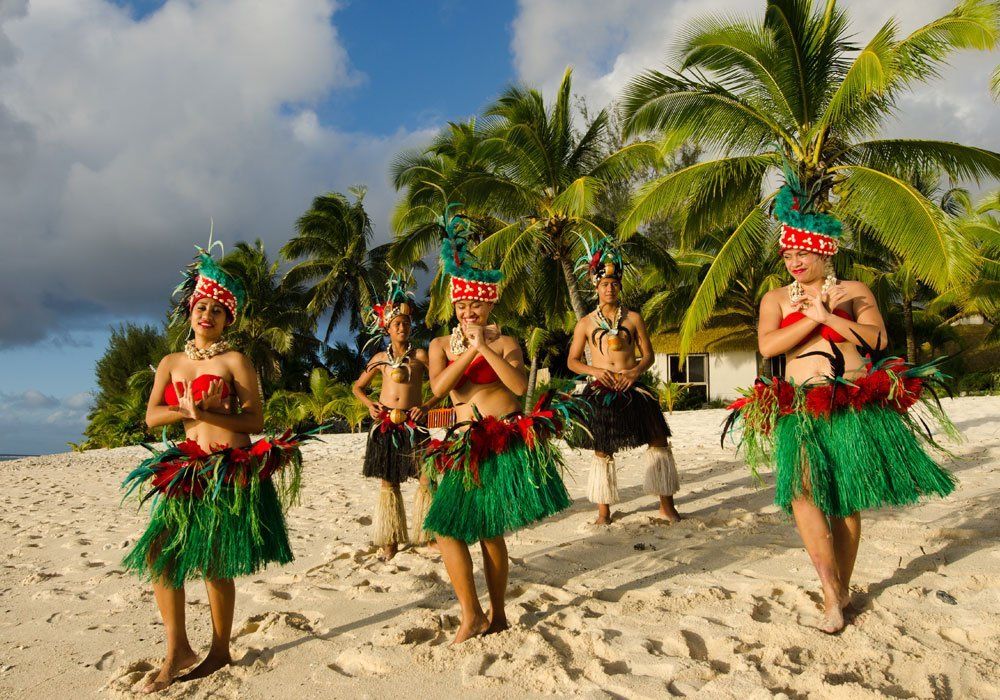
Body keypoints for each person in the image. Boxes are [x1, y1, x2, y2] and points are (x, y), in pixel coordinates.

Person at [724, 177, 957, 634]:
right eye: (788, 255)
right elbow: (770, 345)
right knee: (803, 493)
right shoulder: (774, 299)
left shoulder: (855, 291)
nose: (793, 262)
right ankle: (830, 591)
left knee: (845, 502)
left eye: (802, 255)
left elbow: (878, 339)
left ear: (825, 252)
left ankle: (843, 589)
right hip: (801, 405)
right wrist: (809, 321)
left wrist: (830, 315)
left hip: (850, 400)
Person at [121, 242, 316, 692]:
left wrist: (206, 413)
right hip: (187, 470)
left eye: (217, 309)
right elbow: (152, 417)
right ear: (190, 311)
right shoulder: (171, 363)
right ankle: (178, 649)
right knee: (160, 556)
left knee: (214, 563)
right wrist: (188, 412)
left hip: (229, 468)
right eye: (200, 306)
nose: (206, 314)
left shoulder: (236, 361)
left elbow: (255, 421)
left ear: (228, 318)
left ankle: (220, 648)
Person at [422, 205, 585, 643]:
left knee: (490, 530)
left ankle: (498, 613)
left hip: (500, 437)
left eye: (476, 302)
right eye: (461, 303)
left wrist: (486, 349)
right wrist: (468, 353)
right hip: (460, 443)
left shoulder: (508, 342)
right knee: (445, 528)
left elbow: (518, 389)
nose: (468, 310)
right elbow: (438, 388)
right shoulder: (439, 344)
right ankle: (469, 612)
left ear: (489, 302)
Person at [567, 236, 681, 525]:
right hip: (601, 388)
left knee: (658, 439)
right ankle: (603, 512)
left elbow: (649, 355)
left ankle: (666, 506)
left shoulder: (633, 318)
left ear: (620, 286)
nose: (610, 288)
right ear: (596, 286)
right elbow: (572, 361)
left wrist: (635, 372)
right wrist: (594, 372)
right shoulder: (586, 323)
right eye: (605, 284)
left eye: (614, 284)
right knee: (603, 446)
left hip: (632, 385)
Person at [353, 271, 438, 560]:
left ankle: (429, 534)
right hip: (386, 422)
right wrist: (368, 404)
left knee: (427, 476)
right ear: (387, 328)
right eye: (397, 324)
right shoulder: (378, 359)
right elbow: (357, 386)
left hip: (416, 422)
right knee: (389, 481)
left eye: (406, 323)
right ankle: (390, 539)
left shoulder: (421, 356)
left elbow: (438, 388)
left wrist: (426, 406)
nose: (402, 327)